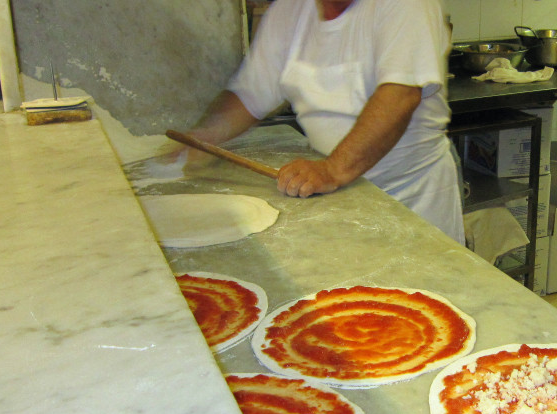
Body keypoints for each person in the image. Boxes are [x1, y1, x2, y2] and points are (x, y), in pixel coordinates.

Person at [180, 0, 465, 244]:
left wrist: (332, 170)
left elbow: (400, 96)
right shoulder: (292, 9)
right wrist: (202, 138)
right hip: (337, 196)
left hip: (410, 198)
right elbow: (251, 93)